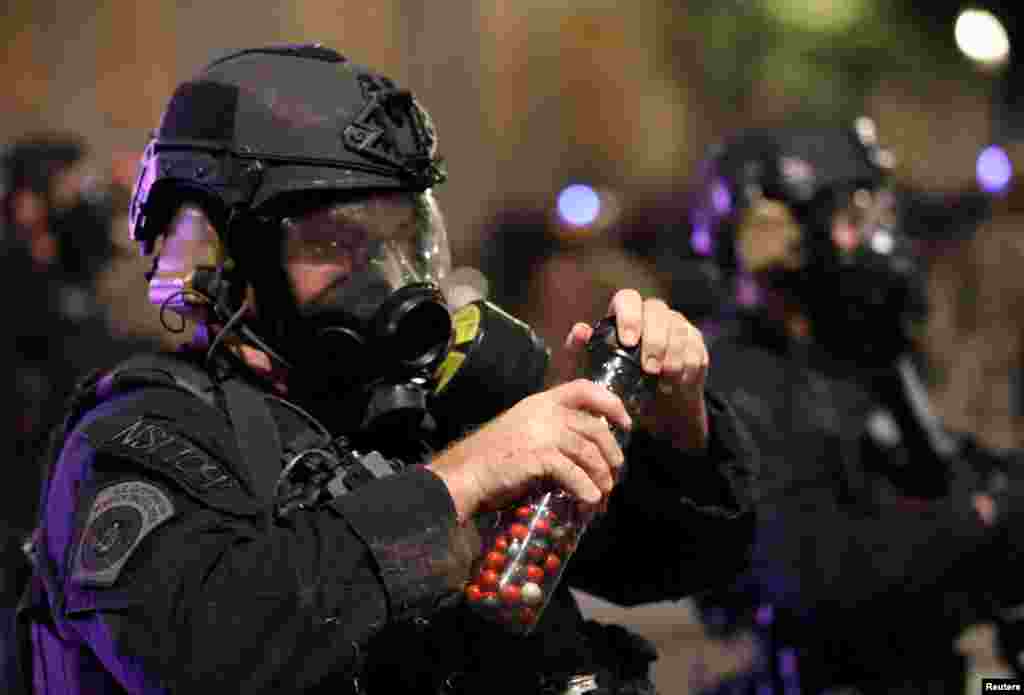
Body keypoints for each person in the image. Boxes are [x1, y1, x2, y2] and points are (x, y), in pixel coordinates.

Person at [16, 44, 758, 695]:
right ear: (220, 255)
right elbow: (200, 652)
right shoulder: (136, 440)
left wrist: (673, 432)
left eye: (405, 238)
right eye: (340, 241)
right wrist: (460, 482)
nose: (389, 276)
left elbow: (676, 562)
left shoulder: (430, 401)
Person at [688, 123, 1021, 694]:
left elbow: (938, 470)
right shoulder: (730, 376)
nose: (878, 240)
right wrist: (981, 515)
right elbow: (804, 571)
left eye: (878, 215)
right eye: (853, 219)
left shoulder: (860, 351)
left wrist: (999, 490)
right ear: (776, 239)